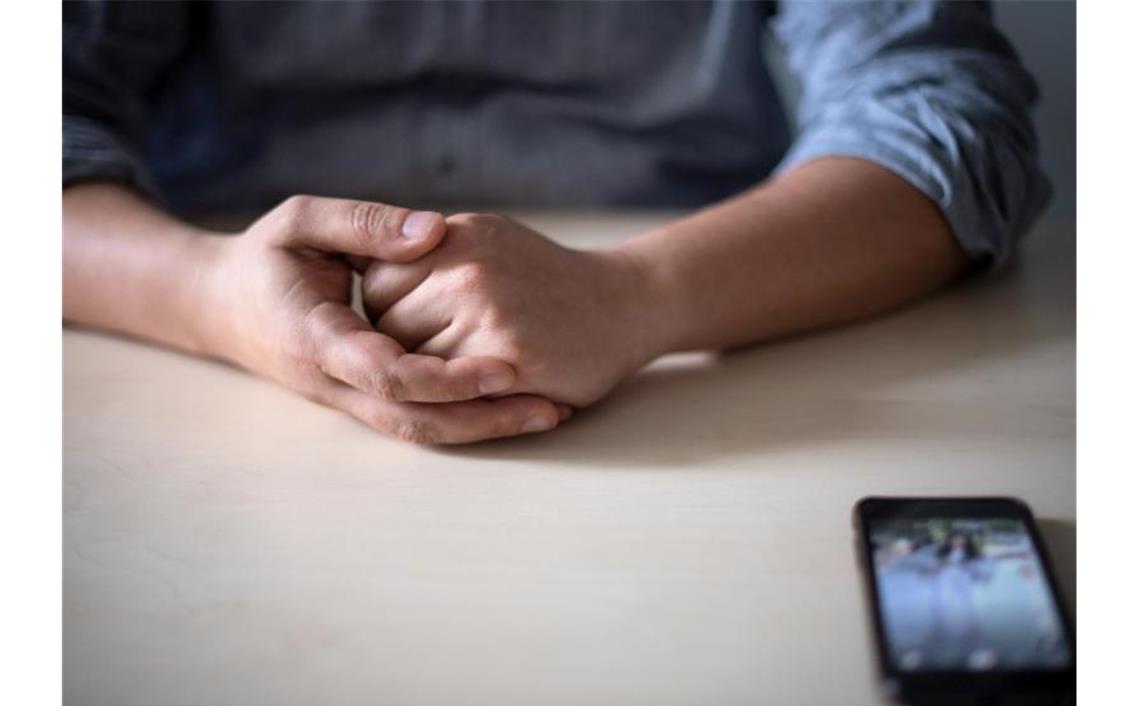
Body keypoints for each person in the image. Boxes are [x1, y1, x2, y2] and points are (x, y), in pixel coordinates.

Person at [63, 1, 1049, 444]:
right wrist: (201, 292)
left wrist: (638, 294)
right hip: (200, 375)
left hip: (706, 345)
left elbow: (953, 118)